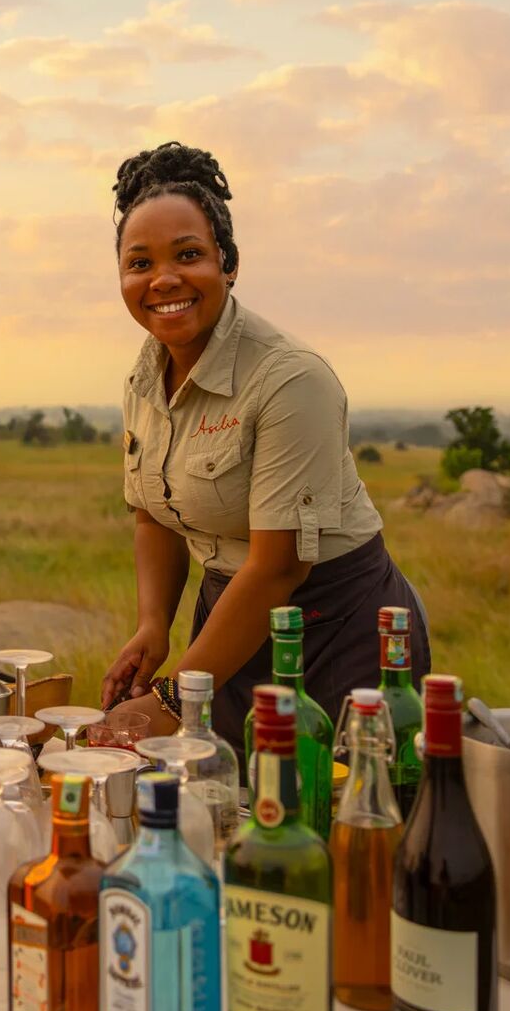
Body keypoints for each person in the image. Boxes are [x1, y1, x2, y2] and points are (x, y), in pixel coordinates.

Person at [98, 142, 430, 756]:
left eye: (188, 255)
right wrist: (152, 627)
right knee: (227, 805)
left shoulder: (289, 379)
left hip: (334, 629)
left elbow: (280, 566)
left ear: (228, 263)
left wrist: (175, 698)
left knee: (334, 821)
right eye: (139, 263)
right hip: (226, 626)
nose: (163, 279)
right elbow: (154, 516)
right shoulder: (145, 380)